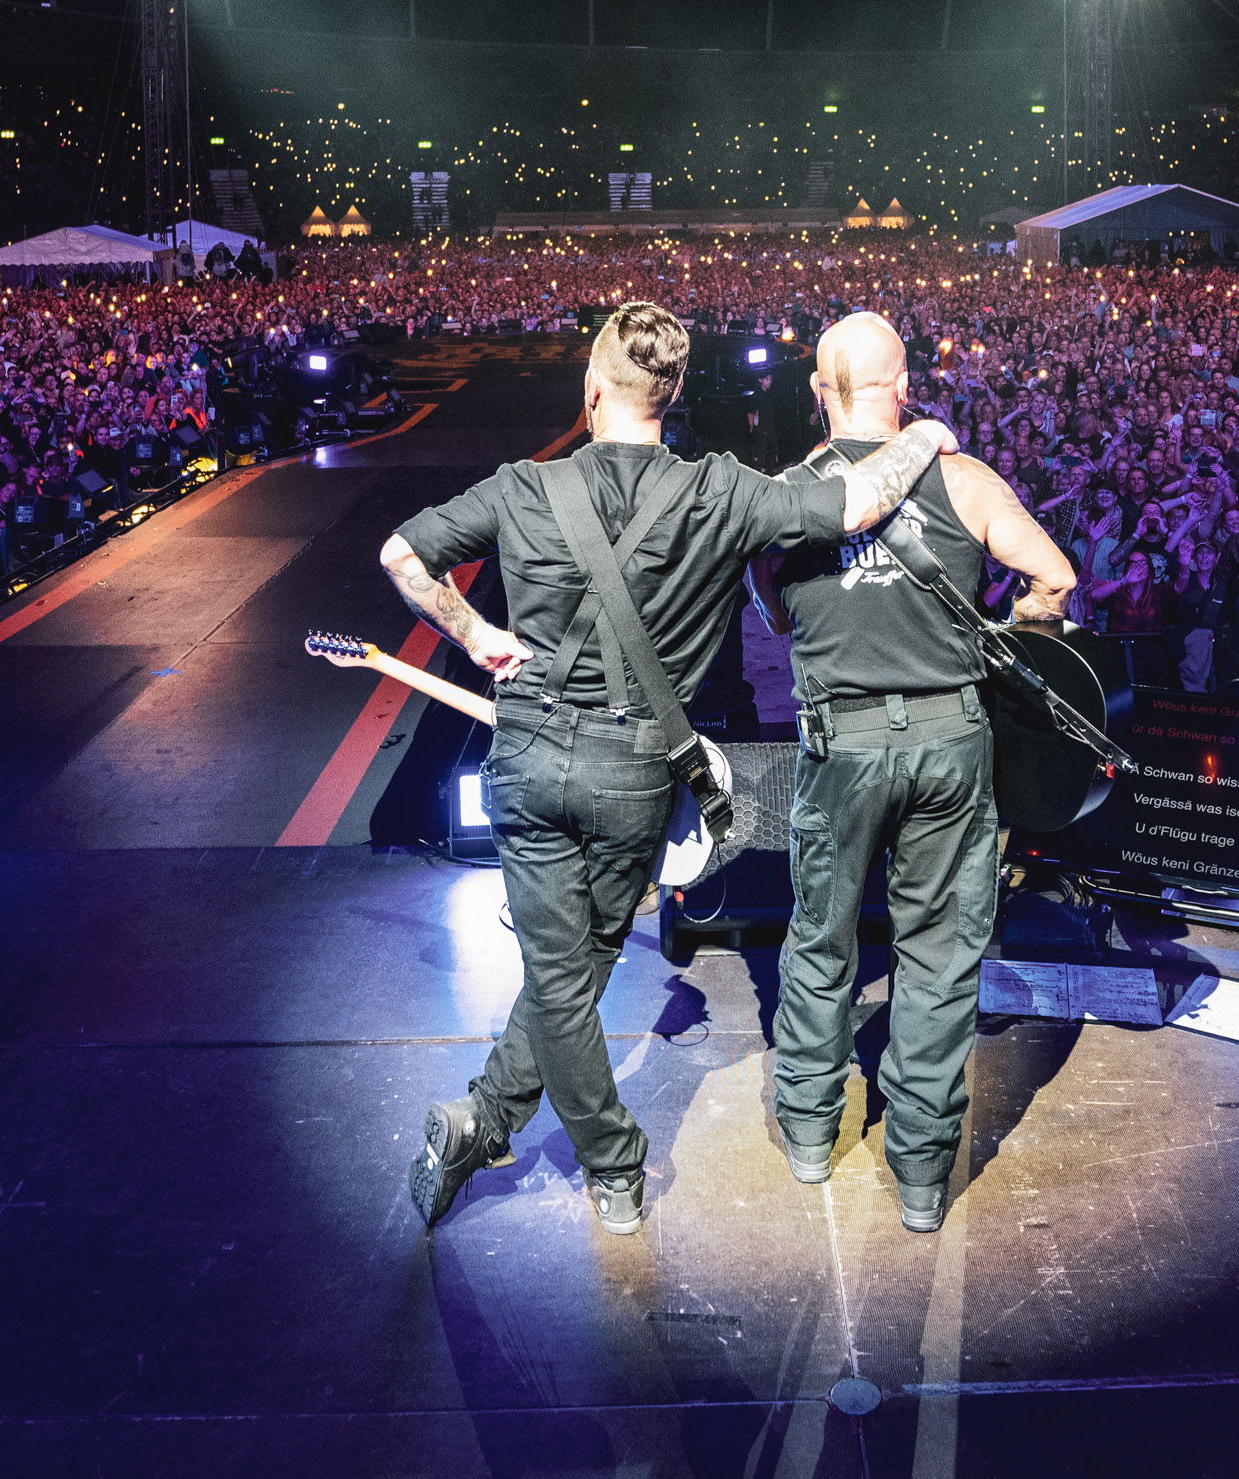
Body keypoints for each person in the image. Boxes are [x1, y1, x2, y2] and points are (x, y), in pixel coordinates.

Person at [381, 299, 957, 1238]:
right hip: (631, 773)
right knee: (576, 972)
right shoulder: (721, 488)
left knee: (563, 976)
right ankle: (603, 1158)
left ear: (592, 388)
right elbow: (857, 500)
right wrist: (923, 428)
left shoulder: (522, 489)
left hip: (524, 762)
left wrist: (478, 632)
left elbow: (401, 553)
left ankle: (490, 1119)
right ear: (676, 394)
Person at [754, 312, 1077, 1232]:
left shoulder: (791, 492)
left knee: (821, 941)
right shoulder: (968, 481)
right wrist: (1019, 635)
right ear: (906, 385)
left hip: (842, 743)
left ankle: (812, 1137)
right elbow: (1054, 575)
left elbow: (770, 600)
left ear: (821, 392)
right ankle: (925, 1177)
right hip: (949, 743)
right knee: (938, 955)